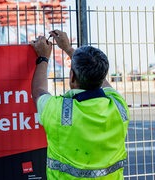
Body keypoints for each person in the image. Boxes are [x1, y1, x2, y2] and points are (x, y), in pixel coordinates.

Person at [30, 30, 129, 179]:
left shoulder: (59, 111)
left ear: (72, 77)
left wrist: (43, 57)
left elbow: (38, 91)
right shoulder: (119, 105)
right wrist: (69, 50)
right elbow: (102, 81)